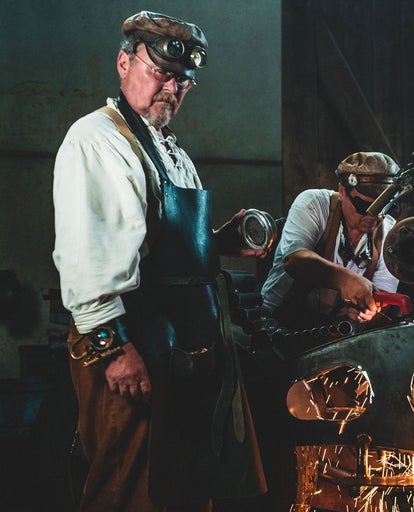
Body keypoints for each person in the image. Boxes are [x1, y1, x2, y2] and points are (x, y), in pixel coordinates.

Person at [52, 11, 267, 511]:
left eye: (183, 80)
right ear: (124, 63)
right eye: (161, 73)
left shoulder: (169, 149)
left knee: (184, 481)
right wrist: (114, 350)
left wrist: (215, 242)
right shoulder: (99, 140)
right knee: (131, 486)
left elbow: (154, 244)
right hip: (133, 341)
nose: (172, 86)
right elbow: (90, 256)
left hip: (181, 343)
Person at [260, 151, 400, 329]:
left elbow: (383, 301)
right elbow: (294, 260)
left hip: (332, 333)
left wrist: (364, 311)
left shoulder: (388, 232)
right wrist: (347, 280)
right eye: (365, 206)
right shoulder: (313, 204)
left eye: (384, 207)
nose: (374, 216)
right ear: (342, 192)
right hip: (278, 322)